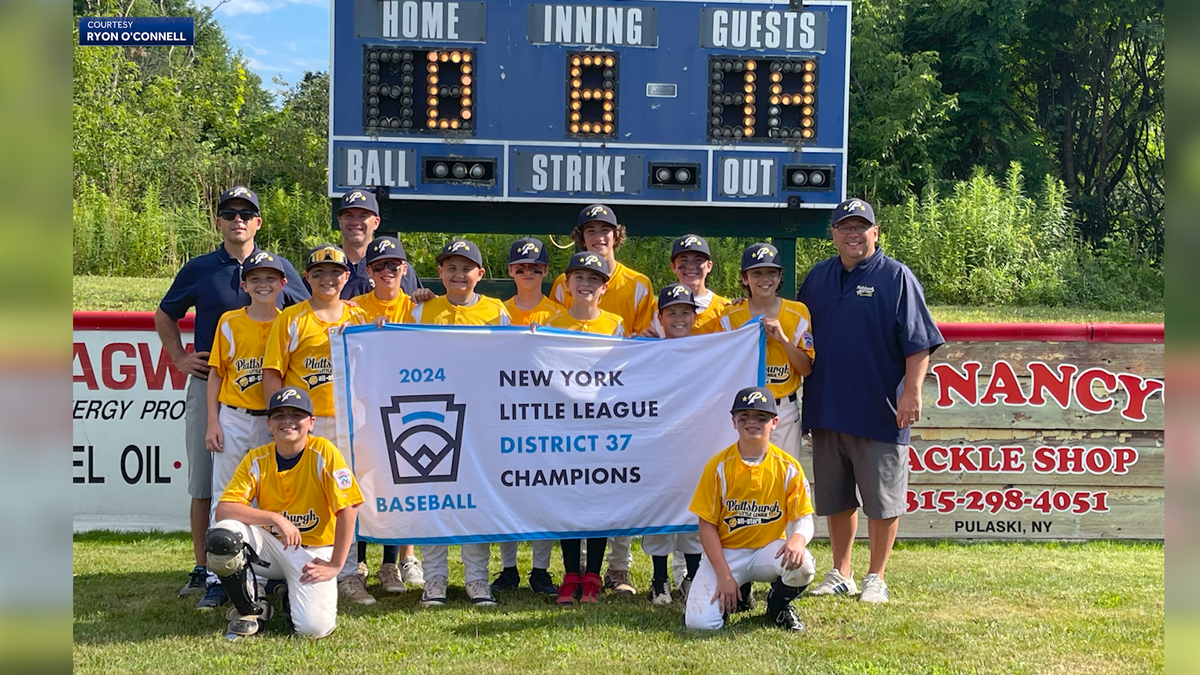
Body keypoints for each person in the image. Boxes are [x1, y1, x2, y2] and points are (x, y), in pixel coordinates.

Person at [156, 185, 308, 608]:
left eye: (247, 213)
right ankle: (208, 569)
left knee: (271, 485)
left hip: (274, 399)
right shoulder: (201, 267)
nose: (238, 219)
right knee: (207, 484)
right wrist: (179, 357)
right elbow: (165, 313)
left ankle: (265, 568)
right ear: (219, 221)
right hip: (217, 387)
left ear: (258, 222)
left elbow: (310, 310)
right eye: (230, 212)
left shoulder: (279, 268)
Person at [798, 198, 944, 604]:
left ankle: (875, 576)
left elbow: (919, 344)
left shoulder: (896, 277)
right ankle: (840, 571)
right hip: (828, 408)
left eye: (861, 227)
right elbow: (796, 333)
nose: (852, 234)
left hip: (879, 409)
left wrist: (912, 392)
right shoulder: (818, 278)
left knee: (882, 500)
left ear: (875, 233)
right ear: (833, 234)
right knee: (836, 497)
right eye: (845, 226)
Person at [262, 244, 373, 605]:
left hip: (350, 422)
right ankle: (288, 565)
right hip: (307, 423)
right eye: (319, 272)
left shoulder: (358, 318)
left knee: (345, 497)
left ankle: (348, 573)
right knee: (304, 495)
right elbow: (272, 373)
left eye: (336, 272)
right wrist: (280, 419)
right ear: (306, 277)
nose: (328, 279)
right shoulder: (291, 318)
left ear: (347, 277)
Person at [549, 204, 651, 595]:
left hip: (612, 404)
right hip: (566, 410)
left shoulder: (637, 284)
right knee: (571, 487)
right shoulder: (562, 285)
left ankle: (617, 569)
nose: (599, 236)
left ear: (616, 235)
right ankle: (571, 570)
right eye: (591, 230)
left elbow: (644, 346)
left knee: (613, 486)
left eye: (605, 229)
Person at [206, 386, 363, 639]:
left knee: (313, 629)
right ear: (268, 424)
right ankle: (251, 608)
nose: (287, 421)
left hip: (313, 553)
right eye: (279, 415)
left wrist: (335, 565)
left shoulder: (324, 452)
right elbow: (224, 509)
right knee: (224, 534)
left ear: (311, 422)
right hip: (271, 547)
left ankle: (290, 594)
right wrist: (275, 518)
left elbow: (349, 507)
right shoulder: (257, 458)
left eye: (296, 415)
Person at [405, 238, 511, 607]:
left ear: (480, 274)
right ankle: (434, 578)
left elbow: (512, 363)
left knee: (476, 496)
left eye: (466, 268)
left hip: (481, 417)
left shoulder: (497, 311)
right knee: (432, 495)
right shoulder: (421, 311)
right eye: (451, 267)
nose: (458, 274)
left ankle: (477, 579)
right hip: (433, 416)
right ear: (439, 272)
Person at [684, 386, 816, 632]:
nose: (752, 423)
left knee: (804, 564)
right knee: (700, 624)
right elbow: (707, 526)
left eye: (761, 417)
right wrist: (724, 576)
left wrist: (798, 538)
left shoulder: (788, 467)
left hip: (766, 551)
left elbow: (804, 519)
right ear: (734, 421)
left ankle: (778, 606)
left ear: (774, 422)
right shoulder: (718, 466)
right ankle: (736, 593)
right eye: (744, 417)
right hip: (727, 553)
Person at [545, 252, 622, 605]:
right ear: (567, 283)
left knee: (598, 496)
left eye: (594, 278)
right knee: (568, 495)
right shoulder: (550, 324)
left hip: (603, 424)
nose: (586, 284)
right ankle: (570, 572)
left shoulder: (616, 324)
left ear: (604, 287)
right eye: (579, 277)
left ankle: (592, 574)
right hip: (563, 425)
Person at [349, 236, 425, 593]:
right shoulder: (355, 308)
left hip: (404, 407)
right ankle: (360, 560)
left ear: (404, 270)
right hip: (364, 405)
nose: (387, 271)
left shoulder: (418, 307)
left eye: (393, 266)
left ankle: (392, 563)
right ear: (369, 272)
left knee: (397, 483)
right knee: (360, 481)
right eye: (379, 266)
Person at [492, 237, 561, 597]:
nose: (528, 273)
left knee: (542, 490)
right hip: (506, 407)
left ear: (546, 271)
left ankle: (540, 569)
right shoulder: (498, 311)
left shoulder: (557, 312)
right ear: (510, 271)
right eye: (521, 268)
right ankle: (507, 568)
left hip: (545, 410)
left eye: (535, 268)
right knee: (508, 488)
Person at [205, 251, 287, 528]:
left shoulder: (288, 323)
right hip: (233, 417)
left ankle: (261, 568)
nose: (263, 284)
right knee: (225, 493)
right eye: (255, 279)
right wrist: (213, 421)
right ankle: (220, 569)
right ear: (244, 285)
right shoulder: (229, 321)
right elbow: (216, 375)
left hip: (271, 419)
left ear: (283, 283)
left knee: (268, 494)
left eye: (270, 278)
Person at [641, 284, 704, 606]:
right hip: (658, 441)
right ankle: (659, 579)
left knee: (693, 509)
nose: (679, 318)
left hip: (693, 441)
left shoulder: (709, 351)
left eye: (685, 312)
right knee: (659, 510)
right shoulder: (647, 349)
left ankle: (692, 578)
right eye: (672, 312)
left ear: (695, 316)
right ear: (660, 317)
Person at [322, 189, 428, 300]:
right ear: (339, 221)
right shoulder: (325, 264)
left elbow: (414, 308)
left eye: (363, 216)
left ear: (376, 222)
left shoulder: (395, 267)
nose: (355, 222)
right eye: (349, 216)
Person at [645, 235, 731, 337]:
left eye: (698, 260)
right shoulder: (657, 309)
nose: (690, 266)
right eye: (683, 260)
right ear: (673, 267)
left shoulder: (726, 308)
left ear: (709, 266)